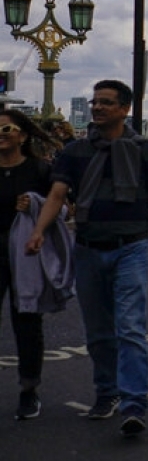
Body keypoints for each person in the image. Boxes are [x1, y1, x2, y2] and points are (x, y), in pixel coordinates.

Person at [27, 79, 148, 437]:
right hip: (87, 248)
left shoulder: (146, 151)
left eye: (106, 102)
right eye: (94, 101)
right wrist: (39, 230)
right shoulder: (75, 152)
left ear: (124, 109)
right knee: (99, 333)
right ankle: (107, 392)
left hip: (131, 247)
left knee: (130, 327)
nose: (97, 107)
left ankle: (134, 404)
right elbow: (57, 194)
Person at [0, 110, 59, 419]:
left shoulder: (39, 170)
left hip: (24, 251)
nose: (1, 134)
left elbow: (61, 205)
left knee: (26, 321)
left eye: (7, 128)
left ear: (22, 136)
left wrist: (34, 202)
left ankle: (28, 389)